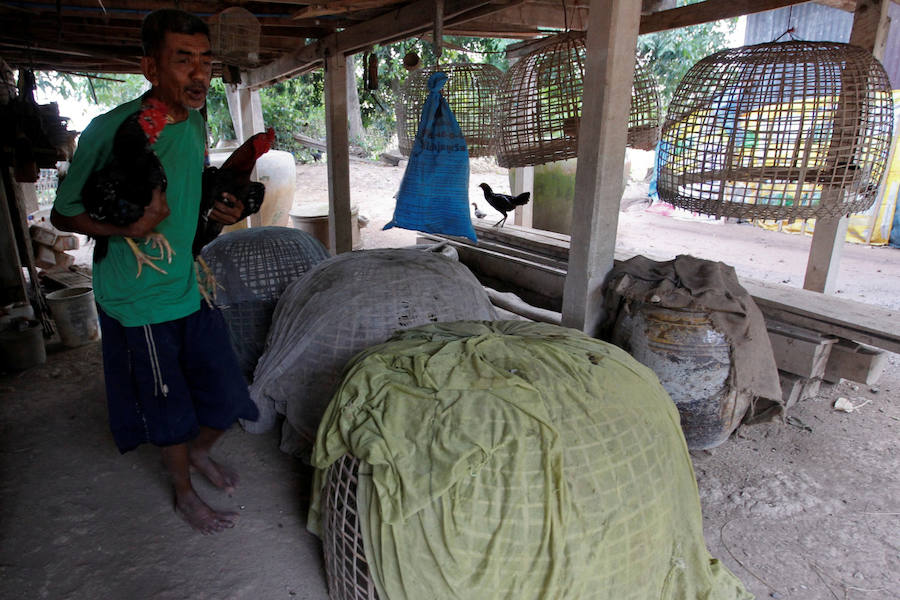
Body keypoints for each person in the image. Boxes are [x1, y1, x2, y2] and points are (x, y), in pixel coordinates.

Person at [51, 9, 259, 534]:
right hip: (137, 297)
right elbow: (62, 213)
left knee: (228, 392)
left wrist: (218, 210)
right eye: (182, 60)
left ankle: (197, 453)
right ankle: (184, 492)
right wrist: (129, 228)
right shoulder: (108, 129)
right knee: (168, 408)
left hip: (187, 284)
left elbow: (191, 187)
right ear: (149, 67)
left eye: (205, 61)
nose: (198, 74)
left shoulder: (192, 121)